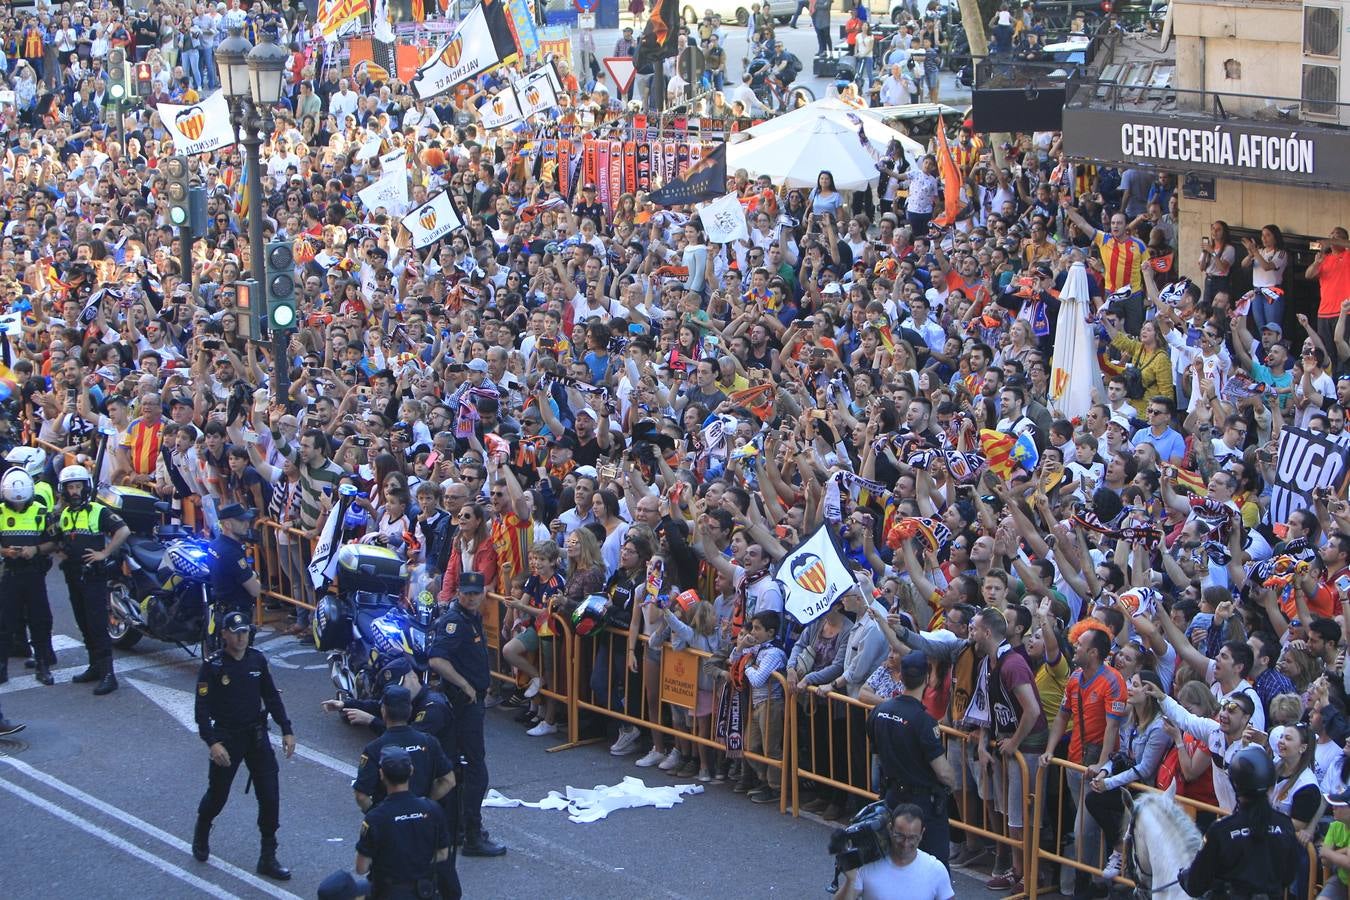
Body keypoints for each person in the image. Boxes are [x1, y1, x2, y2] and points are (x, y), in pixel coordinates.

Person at [191, 610, 295, 880]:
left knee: (270, 796)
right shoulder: (213, 666)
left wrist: (286, 729)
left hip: (256, 736)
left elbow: (271, 696)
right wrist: (212, 743)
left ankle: (268, 856)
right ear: (224, 635)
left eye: (245, 632)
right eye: (235, 632)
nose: (241, 637)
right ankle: (202, 829)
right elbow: (201, 710)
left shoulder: (257, 660)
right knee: (218, 795)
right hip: (227, 737)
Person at [426, 570, 506, 858]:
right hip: (463, 702)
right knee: (475, 769)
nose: (472, 597)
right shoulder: (455, 623)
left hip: (471, 700)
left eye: (476, 592)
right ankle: (472, 834)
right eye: (467, 593)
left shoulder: (471, 618)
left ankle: (460, 827)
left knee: (463, 767)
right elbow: (436, 659)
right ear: (459, 592)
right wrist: (465, 685)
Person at [868, 649, 958, 867]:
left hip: (893, 798)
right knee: (934, 865)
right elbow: (943, 772)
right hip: (923, 805)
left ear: (901, 676)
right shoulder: (924, 721)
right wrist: (953, 784)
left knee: (895, 861)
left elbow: (877, 753)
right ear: (927, 678)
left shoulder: (879, 711)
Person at [1180, 746, 1303, 898]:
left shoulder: (1221, 830)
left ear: (1234, 785)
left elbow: (1195, 886)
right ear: (1271, 784)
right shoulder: (1285, 825)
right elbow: (1288, 876)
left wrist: (1184, 877)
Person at [55, 463, 130, 696]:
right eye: (70, 488)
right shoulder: (66, 514)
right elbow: (61, 539)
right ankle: (94, 666)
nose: (74, 492)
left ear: (85, 488)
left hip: (93, 578)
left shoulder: (98, 511)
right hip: (73, 575)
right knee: (84, 623)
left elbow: (123, 531)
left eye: (78, 487)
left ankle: (109, 674)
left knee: (98, 625)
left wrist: (104, 554)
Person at [354, 747, 452, 900]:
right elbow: (443, 853)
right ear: (411, 771)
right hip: (424, 892)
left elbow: (361, 868)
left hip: (389, 892)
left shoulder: (376, 817)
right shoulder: (432, 809)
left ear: (381, 774)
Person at [352, 684, 455, 811]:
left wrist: (377, 815)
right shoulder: (429, 742)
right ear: (410, 710)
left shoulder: (374, 748)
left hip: (388, 822)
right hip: (423, 820)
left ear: (383, 711)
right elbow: (449, 780)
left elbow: (361, 795)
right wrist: (423, 804)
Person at [0, 467, 56, 686]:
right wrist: (5, 552)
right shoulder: (1, 512)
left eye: (22, 502)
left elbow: (55, 542)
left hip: (34, 573)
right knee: (4, 622)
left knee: (40, 620)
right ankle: (2, 667)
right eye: (15, 503)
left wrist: (36, 550)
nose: (19, 506)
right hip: (9, 574)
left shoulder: (41, 512)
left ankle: (43, 665)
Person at [834, 803, 956, 900]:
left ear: (922, 833)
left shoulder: (935, 869)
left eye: (912, 837)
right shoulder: (866, 866)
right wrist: (850, 880)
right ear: (890, 828)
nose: (905, 843)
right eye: (900, 836)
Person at [209, 503, 262, 618]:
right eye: (241, 521)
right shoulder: (232, 553)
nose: (247, 524)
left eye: (247, 520)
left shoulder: (215, 544)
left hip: (221, 611)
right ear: (227, 524)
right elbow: (255, 590)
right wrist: (255, 575)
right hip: (236, 616)